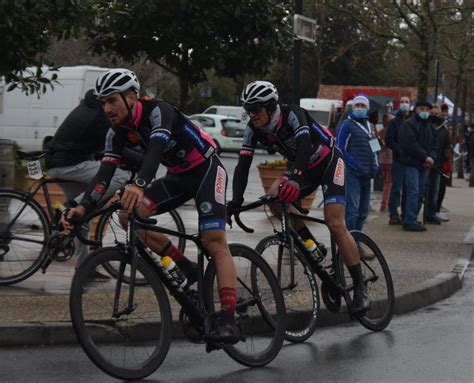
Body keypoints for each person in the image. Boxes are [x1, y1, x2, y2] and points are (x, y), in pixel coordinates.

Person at [62, 68, 240, 343]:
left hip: (206, 169)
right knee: (129, 215)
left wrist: (139, 183)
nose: (107, 108)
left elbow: (155, 151)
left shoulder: (159, 111)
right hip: (178, 177)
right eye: (104, 102)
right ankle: (185, 266)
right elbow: (103, 175)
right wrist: (83, 207)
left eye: (112, 101)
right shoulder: (116, 133)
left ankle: (229, 320)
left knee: (214, 242)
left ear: (131, 97)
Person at [227, 81, 369, 314]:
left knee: (335, 223)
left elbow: (304, 145)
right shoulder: (253, 129)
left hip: (329, 162)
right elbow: (243, 165)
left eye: (256, 109)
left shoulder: (292, 113)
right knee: (272, 197)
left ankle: (360, 287)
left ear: (271, 107)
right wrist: (235, 201)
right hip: (302, 168)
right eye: (247, 110)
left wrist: (295, 178)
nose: (251, 115)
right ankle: (312, 245)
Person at [45, 89, 131, 273]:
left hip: (63, 161)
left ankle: (84, 267)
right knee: (121, 176)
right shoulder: (100, 115)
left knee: (82, 217)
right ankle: (72, 205)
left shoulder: (91, 106)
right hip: (68, 163)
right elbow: (115, 148)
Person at [336, 94, 380, 233]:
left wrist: (376, 165)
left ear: (367, 109)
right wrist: (354, 164)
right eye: (357, 105)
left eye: (363, 106)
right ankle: (350, 245)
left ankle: (358, 242)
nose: (360, 108)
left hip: (368, 174)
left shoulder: (371, 127)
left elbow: (375, 147)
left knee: (363, 213)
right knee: (352, 211)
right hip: (352, 174)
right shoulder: (346, 125)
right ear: (353, 107)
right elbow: (340, 148)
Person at [398, 100, 438, 232]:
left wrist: (431, 157)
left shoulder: (430, 126)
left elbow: (434, 144)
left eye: (427, 109)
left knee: (420, 192)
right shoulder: (409, 124)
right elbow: (410, 144)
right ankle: (409, 220)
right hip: (411, 163)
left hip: (423, 164)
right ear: (416, 109)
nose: (424, 112)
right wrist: (425, 156)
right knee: (413, 191)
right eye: (422, 109)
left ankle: (412, 217)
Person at [385, 96, 411, 225]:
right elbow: (389, 140)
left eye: (406, 102)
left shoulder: (412, 121)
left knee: (408, 188)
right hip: (399, 160)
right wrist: (398, 149)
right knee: (396, 188)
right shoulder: (394, 123)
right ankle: (393, 214)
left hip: (411, 161)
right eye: (402, 102)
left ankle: (406, 213)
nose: (404, 104)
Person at [426, 105, 451, 224]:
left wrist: (445, 156)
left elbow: (447, 145)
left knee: (434, 190)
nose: (435, 116)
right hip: (424, 163)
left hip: (437, 164)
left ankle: (431, 213)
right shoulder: (424, 126)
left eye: (437, 114)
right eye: (433, 113)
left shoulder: (443, 129)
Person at [378, 114, 393, 212]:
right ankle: (385, 204)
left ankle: (384, 203)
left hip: (382, 159)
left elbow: (375, 146)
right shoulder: (392, 132)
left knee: (385, 182)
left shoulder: (380, 132)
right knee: (389, 183)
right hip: (391, 159)